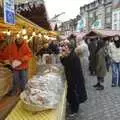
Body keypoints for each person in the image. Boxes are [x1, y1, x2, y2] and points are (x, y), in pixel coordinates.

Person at [60, 43, 87, 118]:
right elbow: (65, 63)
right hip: (72, 79)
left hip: (75, 80)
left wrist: (62, 57)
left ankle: (74, 110)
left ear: (70, 49)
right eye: (64, 48)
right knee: (71, 94)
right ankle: (72, 105)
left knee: (74, 95)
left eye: (66, 48)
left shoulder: (73, 56)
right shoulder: (70, 55)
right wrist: (63, 56)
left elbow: (66, 64)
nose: (64, 50)